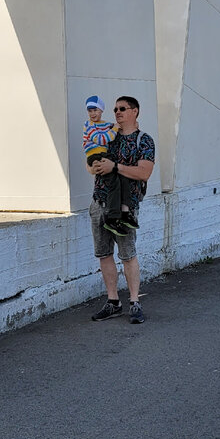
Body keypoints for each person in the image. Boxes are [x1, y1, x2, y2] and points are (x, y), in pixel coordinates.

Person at [89, 95, 155, 324]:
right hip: (99, 202)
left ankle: (135, 302)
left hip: (125, 208)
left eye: (122, 108)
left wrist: (114, 166)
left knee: (127, 255)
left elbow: (144, 173)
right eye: (115, 109)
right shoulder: (108, 138)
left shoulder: (143, 141)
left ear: (135, 112)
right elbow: (91, 165)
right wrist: (95, 166)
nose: (117, 112)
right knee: (104, 254)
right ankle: (112, 301)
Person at [82, 95, 136, 237]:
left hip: (106, 157)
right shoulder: (89, 125)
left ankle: (125, 213)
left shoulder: (105, 124)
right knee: (113, 183)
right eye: (90, 111)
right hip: (95, 156)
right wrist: (115, 129)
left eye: (95, 110)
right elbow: (100, 139)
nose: (93, 114)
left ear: (101, 110)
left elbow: (116, 127)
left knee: (123, 178)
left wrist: (130, 126)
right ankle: (112, 219)